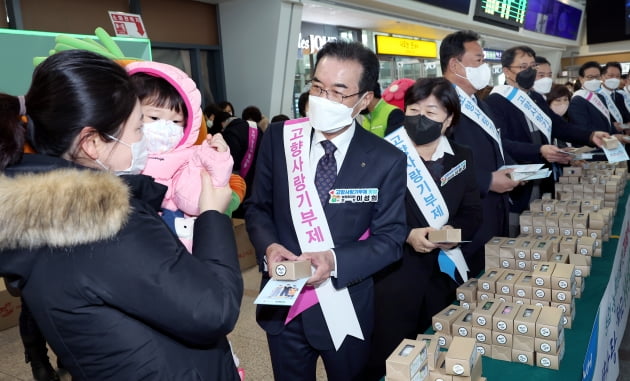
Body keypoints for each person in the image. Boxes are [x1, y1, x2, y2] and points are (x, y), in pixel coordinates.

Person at [0, 50, 243, 380]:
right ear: (93, 143)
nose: (146, 141)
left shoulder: (37, 206)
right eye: (139, 129)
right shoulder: (106, 223)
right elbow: (214, 309)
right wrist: (214, 215)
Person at [244, 40, 407, 381]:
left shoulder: (385, 159)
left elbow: (390, 239)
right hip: (283, 301)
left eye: (337, 91)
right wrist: (269, 247)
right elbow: (258, 207)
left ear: (364, 100)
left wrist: (333, 261)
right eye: (317, 86)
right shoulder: (278, 138)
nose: (322, 98)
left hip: (345, 306)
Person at [366, 77, 482, 380]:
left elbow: (472, 211)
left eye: (430, 113)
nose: (420, 119)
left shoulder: (462, 156)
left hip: (442, 277)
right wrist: (406, 234)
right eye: (414, 110)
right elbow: (367, 214)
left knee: (436, 354)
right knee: (392, 357)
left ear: (449, 119)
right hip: (393, 277)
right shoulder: (382, 152)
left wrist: (452, 236)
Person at [485, 46, 608, 235]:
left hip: (544, 177)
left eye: (532, 66)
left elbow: (558, 125)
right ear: (507, 71)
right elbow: (500, 144)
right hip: (519, 181)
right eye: (523, 66)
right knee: (519, 233)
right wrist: (539, 150)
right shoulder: (495, 101)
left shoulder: (534, 96)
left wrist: (590, 135)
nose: (529, 71)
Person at [127, 61, 240, 251]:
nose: (166, 128)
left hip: (176, 248)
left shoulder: (187, 158)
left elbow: (194, 201)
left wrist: (217, 161)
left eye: (177, 121)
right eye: (154, 118)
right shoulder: (112, 156)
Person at [440, 30, 520, 276]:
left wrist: (514, 168)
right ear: (455, 64)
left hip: (495, 214)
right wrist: (487, 180)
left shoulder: (480, 104)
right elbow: (438, 163)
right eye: (479, 60)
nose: (485, 67)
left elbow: (496, 146)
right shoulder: (438, 104)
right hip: (464, 220)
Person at [222, 108, 264, 218]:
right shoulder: (258, 130)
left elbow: (230, 161)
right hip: (253, 183)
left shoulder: (231, 132)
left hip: (234, 183)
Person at [567, 61, 615, 135]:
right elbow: (582, 127)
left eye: (597, 77)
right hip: (592, 142)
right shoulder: (577, 100)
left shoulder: (601, 96)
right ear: (581, 79)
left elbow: (606, 121)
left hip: (607, 141)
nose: (594, 80)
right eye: (590, 77)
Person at [599, 62, 630, 132]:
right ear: (602, 77)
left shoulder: (620, 96)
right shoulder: (596, 97)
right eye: (611, 75)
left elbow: (626, 117)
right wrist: (610, 126)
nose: (615, 79)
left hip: (622, 138)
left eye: (618, 76)